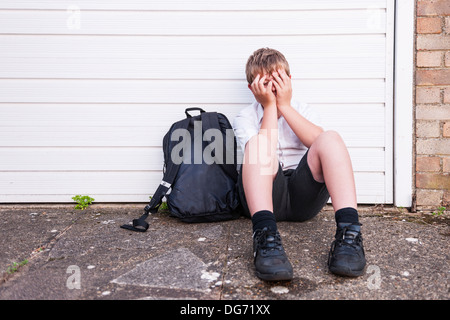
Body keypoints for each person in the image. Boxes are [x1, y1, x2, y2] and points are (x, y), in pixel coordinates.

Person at [233, 48, 366, 281]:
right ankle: (265, 236)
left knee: (330, 137)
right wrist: (269, 107)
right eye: (265, 83)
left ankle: (349, 234)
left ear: (289, 81)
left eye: (277, 81)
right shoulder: (245, 117)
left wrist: (284, 105)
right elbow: (265, 150)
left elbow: (320, 144)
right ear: (253, 88)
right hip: (264, 197)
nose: (272, 88)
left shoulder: (303, 111)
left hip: (302, 196)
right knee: (257, 145)